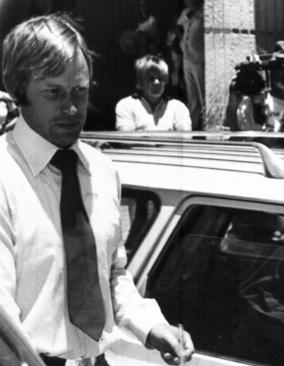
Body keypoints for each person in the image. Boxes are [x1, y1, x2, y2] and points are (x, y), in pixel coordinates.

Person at [0, 14, 194, 365]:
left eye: (80, 90)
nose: (72, 109)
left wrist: (150, 326)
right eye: (54, 93)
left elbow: (112, 272)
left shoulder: (101, 171)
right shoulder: (3, 178)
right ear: (18, 88)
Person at [224, 39, 284, 132]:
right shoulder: (254, 103)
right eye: (283, 66)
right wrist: (234, 102)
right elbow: (236, 134)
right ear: (272, 69)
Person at [115, 54, 191, 131]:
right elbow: (126, 140)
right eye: (151, 78)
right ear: (140, 82)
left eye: (160, 78)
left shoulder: (178, 107)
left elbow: (185, 139)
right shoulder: (126, 105)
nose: (156, 82)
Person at [176, 0, 204, 131]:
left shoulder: (204, 13)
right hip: (187, 59)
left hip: (199, 60)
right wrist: (181, 41)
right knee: (192, 99)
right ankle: (193, 130)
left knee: (202, 97)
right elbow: (178, 26)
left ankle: (206, 130)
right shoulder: (187, 13)